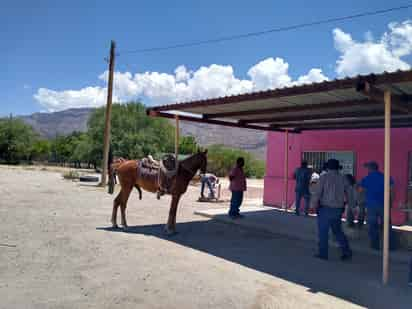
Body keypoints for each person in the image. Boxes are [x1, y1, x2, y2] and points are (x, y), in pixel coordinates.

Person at [311, 159, 353, 261]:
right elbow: (350, 193)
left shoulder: (323, 177)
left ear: (328, 167)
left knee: (323, 232)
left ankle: (323, 254)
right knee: (338, 231)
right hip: (338, 209)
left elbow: (317, 193)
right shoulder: (343, 178)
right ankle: (346, 251)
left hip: (325, 208)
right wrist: (351, 206)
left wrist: (313, 205)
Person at [359, 161, 395, 250]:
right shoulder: (386, 177)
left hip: (371, 205)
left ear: (370, 168)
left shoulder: (366, 178)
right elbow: (392, 191)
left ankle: (375, 246)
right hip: (384, 205)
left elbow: (361, 190)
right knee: (386, 225)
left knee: (373, 225)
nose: (366, 169)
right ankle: (389, 245)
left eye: (367, 168)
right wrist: (390, 202)